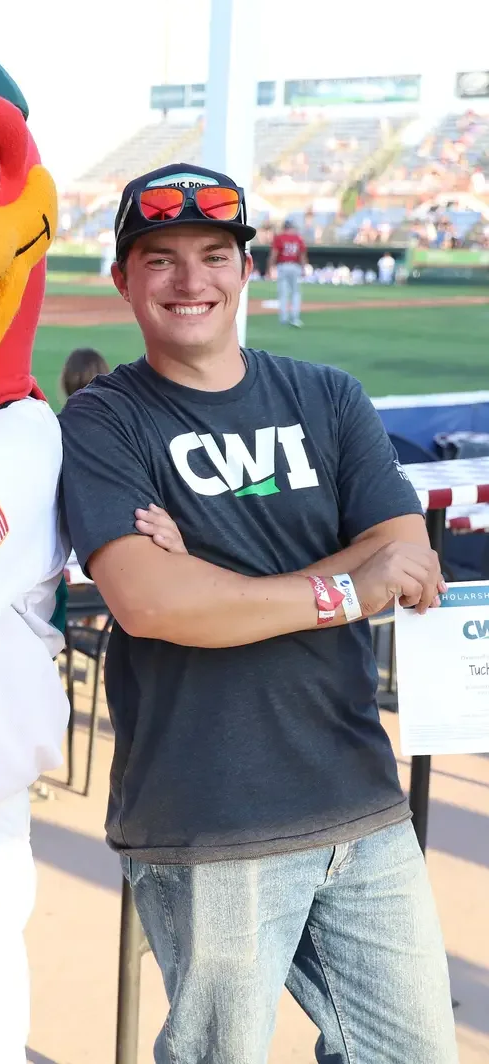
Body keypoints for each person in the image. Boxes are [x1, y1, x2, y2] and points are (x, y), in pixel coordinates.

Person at [59, 162, 458, 1064]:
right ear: (123, 279)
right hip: (210, 814)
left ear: (246, 268)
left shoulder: (328, 396)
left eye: (212, 255)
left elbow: (409, 557)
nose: (189, 281)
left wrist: (215, 578)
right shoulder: (105, 420)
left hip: (358, 796)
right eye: (159, 258)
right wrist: (345, 584)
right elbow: (153, 601)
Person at [268, 216, 307, 326]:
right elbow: (302, 255)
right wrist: (303, 267)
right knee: (295, 293)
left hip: (283, 266)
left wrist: (271, 267)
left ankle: (283, 318)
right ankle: (295, 317)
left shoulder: (279, 237)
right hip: (295, 266)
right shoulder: (298, 238)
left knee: (283, 293)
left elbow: (274, 254)